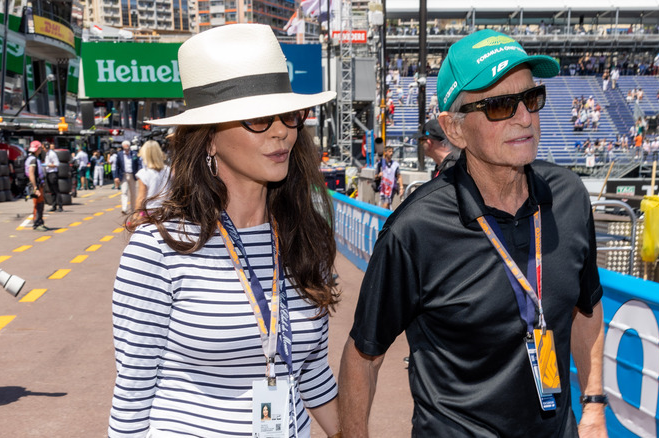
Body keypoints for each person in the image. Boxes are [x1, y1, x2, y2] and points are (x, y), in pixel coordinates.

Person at [339, 30, 606, 437]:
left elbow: (587, 309)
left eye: (531, 99)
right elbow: (363, 358)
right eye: (500, 105)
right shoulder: (415, 230)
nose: (523, 118)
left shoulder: (568, 197)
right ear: (456, 129)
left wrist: (593, 407)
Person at [109, 24, 341, 438]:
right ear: (209, 139)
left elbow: (311, 371)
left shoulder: (307, 235)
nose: (280, 131)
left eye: (289, 115)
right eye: (257, 118)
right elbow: (131, 397)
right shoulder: (157, 248)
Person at [133, 140, 170, 212]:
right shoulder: (168, 170)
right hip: (167, 210)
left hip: (151, 212)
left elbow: (141, 198)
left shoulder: (143, 173)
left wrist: (136, 215)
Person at [113, 140, 142, 214]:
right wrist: (116, 177)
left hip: (132, 175)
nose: (126, 150)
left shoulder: (134, 154)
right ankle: (124, 208)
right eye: (125, 149)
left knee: (133, 193)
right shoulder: (119, 155)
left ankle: (133, 208)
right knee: (124, 192)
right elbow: (117, 166)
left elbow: (139, 164)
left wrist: (139, 173)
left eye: (127, 148)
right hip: (124, 175)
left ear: (129, 147)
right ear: (123, 148)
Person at [25, 141, 48, 230]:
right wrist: (35, 188)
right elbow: (31, 173)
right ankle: (37, 223)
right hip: (36, 185)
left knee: (40, 203)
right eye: (40, 148)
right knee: (38, 204)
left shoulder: (33, 158)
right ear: (37, 149)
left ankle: (39, 222)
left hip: (38, 184)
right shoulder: (33, 159)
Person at [375, 145, 403, 209]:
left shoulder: (395, 165)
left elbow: (399, 176)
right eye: (389, 151)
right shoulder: (381, 163)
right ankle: (385, 218)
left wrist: (401, 188)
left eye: (392, 151)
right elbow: (375, 176)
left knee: (387, 203)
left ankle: (384, 217)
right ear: (385, 152)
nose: (391, 153)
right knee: (387, 205)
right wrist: (379, 175)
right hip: (383, 189)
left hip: (391, 189)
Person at [43, 142, 63, 212]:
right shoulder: (47, 154)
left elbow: (57, 164)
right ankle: (54, 206)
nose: (43, 149)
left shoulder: (52, 154)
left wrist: (48, 165)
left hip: (53, 173)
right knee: (52, 191)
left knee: (56, 190)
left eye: (43, 148)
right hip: (48, 173)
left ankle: (60, 206)